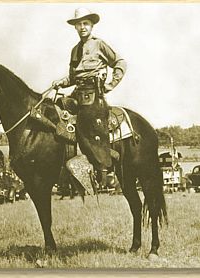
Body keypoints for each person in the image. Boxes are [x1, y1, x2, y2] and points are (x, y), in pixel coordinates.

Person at [52, 8, 127, 188]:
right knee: (55, 111)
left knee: (86, 120)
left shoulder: (99, 45)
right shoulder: (75, 51)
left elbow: (120, 62)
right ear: (75, 27)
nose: (82, 27)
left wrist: (111, 83)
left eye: (86, 23)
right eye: (79, 24)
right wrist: (60, 82)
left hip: (94, 96)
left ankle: (104, 166)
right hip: (78, 93)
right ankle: (64, 166)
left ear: (91, 25)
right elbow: (73, 77)